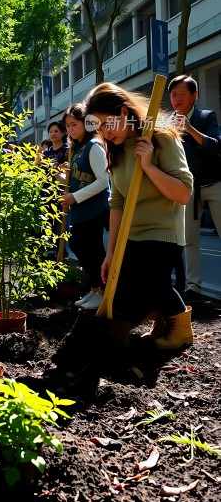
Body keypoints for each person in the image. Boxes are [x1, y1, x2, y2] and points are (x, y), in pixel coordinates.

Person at [84, 82, 194, 350]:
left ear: (124, 112)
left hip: (163, 233)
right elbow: (117, 202)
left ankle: (181, 330)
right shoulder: (117, 150)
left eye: (107, 124)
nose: (104, 134)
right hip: (131, 237)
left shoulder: (162, 138)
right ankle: (162, 320)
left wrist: (148, 165)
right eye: (99, 128)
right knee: (123, 290)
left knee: (151, 282)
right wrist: (110, 253)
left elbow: (182, 194)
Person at [168, 75, 221, 303]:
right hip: (187, 188)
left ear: (194, 95)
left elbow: (216, 146)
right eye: (173, 94)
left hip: (215, 183)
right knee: (189, 240)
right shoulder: (167, 123)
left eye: (182, 93)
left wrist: (190, 129)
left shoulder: (207, 117)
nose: (177, 98)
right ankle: (195, 288)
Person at [60, 103, 110, 311]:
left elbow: (102, 181)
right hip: (80, 208)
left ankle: (103, 291)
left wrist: (75, 197)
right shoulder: (76, 148)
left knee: (91, 249)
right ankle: (94, 288)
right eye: (68, 126)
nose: (70, 129)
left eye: (74, 124)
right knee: (81, 247)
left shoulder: (94, 146)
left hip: (95, 208)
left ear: (85, 123)